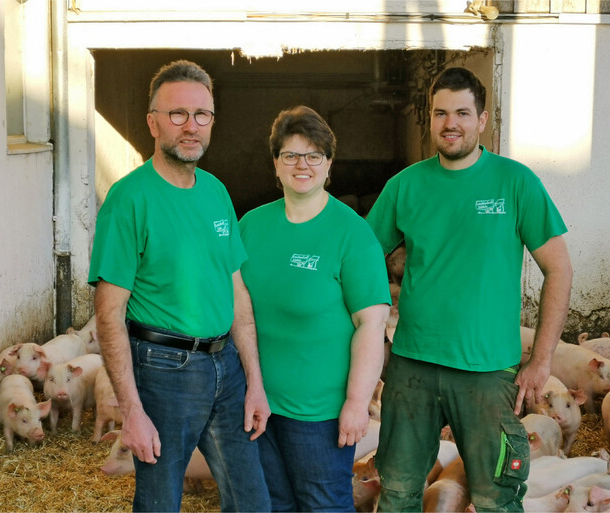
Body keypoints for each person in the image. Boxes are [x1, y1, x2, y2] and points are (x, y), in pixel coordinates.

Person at [365, 66, 573, 512]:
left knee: (495, 499)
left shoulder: (516, 183)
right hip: (412, 368)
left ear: (482, 120)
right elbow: (361, 263)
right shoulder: (405, 186)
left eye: (462, 112)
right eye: (440, 113)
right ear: (430, 119)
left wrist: (542, 360)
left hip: (487, 372)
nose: (450, 123)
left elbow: (559, 270)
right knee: (398, 492)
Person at [88, 60, 270, 512]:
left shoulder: (215, 191)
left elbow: (238, 294)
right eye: (177, 114)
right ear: (153, 122)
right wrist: (131, 410)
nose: (191, 126)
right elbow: (109, 311)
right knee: (160, 501)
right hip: (163, 369)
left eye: (202, 115)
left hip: (225, 367)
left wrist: (255, 383)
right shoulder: (130, 199)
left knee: (252, 501)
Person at [239, 106, 391, 512]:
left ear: (329, 165)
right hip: (258, 404)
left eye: (314, 156)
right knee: (272, 505)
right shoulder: (251, 226)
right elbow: (236, 308)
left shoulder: (352, 233)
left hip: (320, 414)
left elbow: (371, 325)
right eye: (290, 155)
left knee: (323, 504)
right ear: (275, 163)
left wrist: (357, 403)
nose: (301, 165)